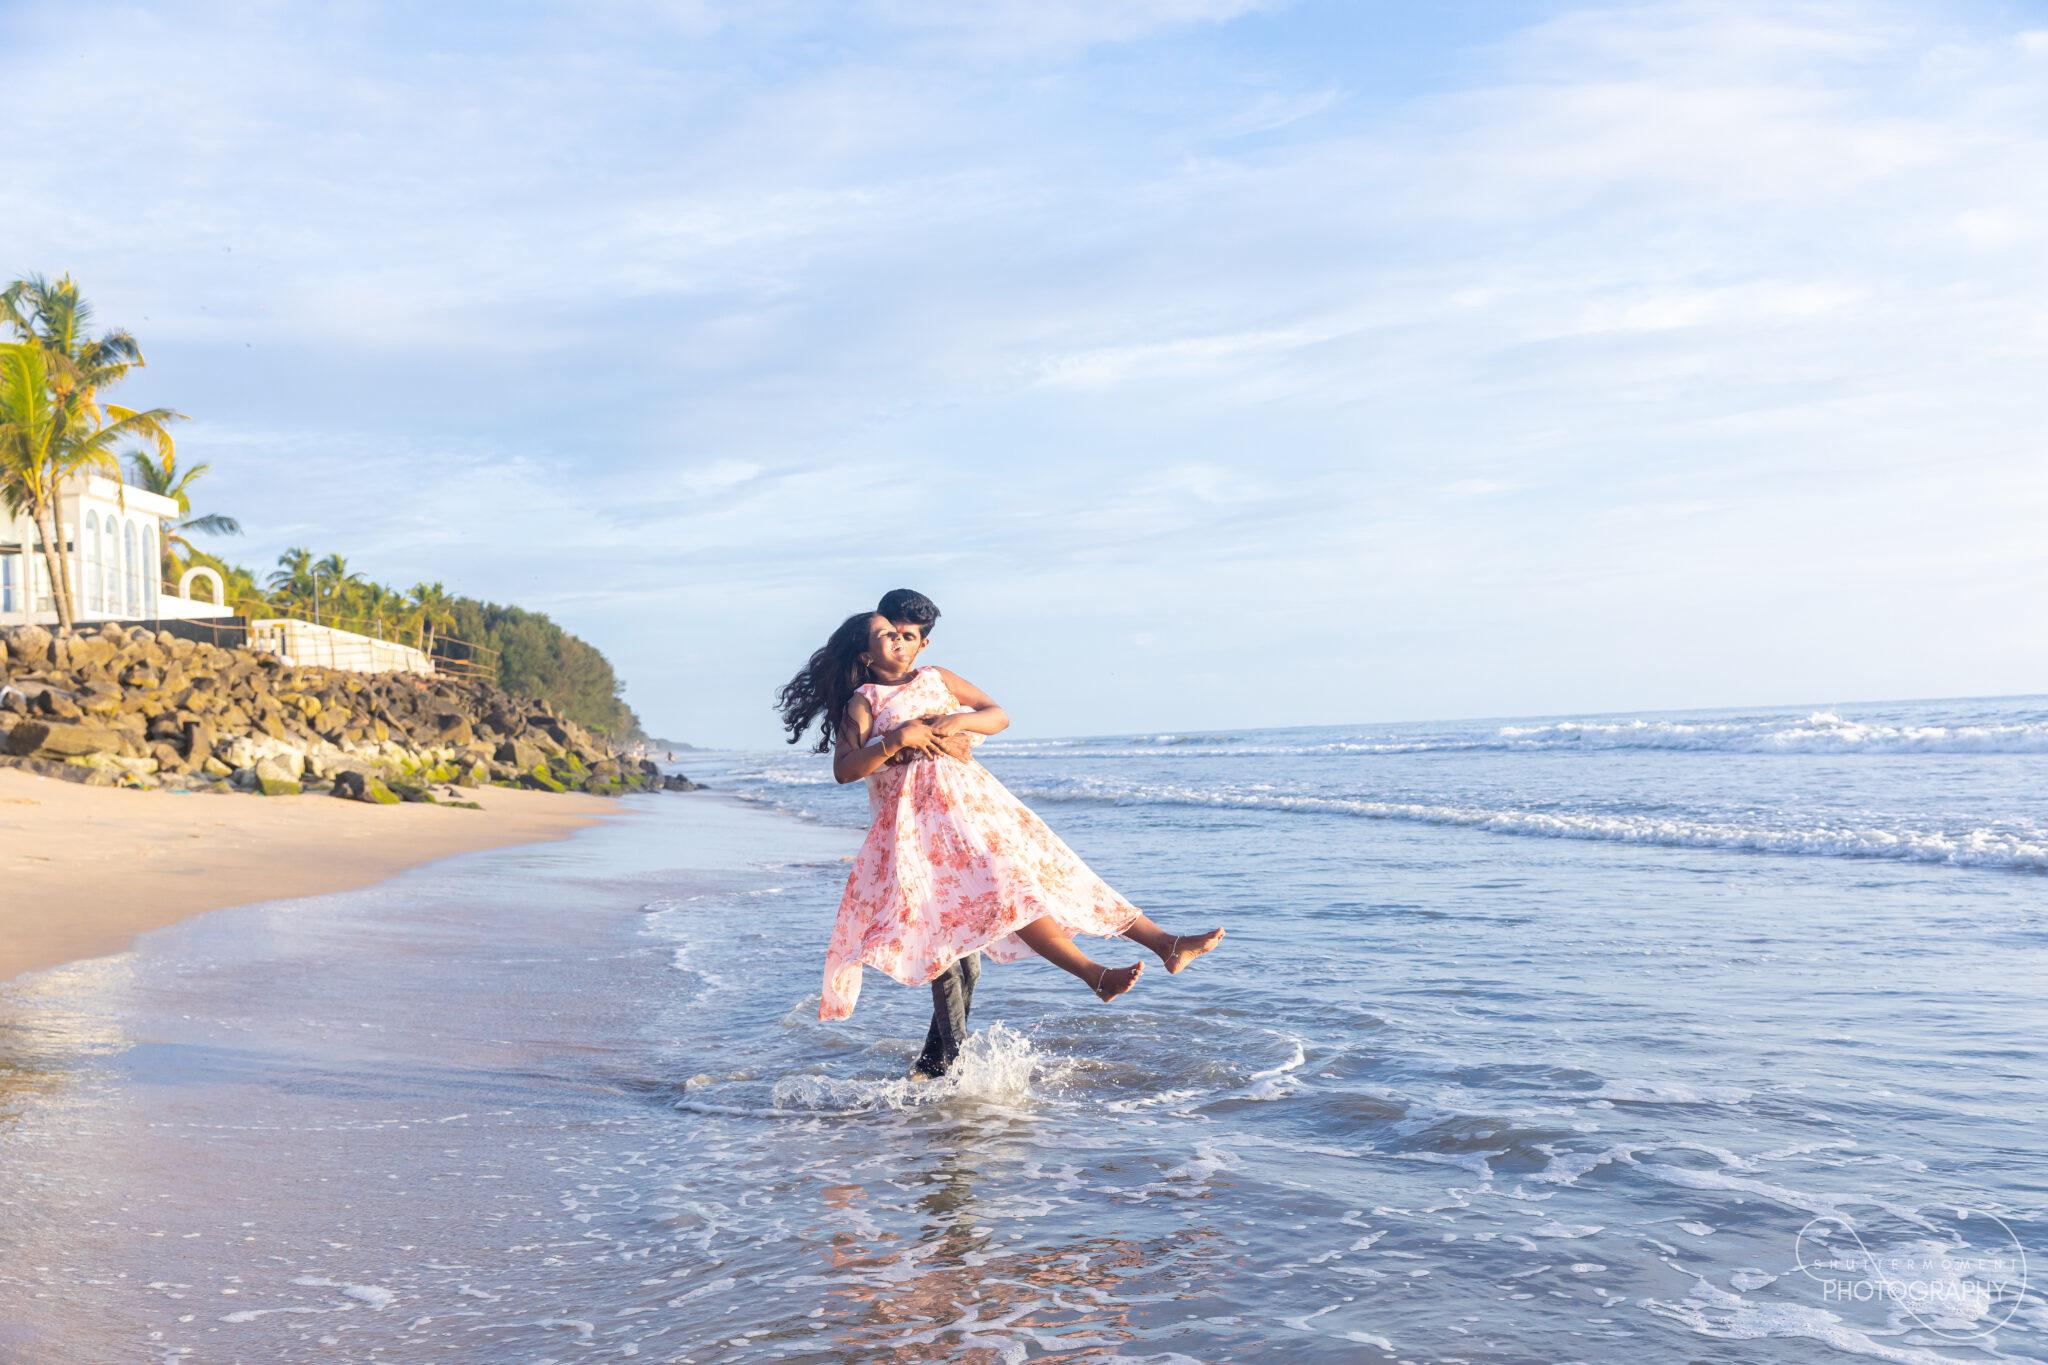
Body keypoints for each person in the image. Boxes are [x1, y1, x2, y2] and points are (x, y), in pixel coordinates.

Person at [774, 590, 1226, 1075]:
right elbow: (845, 769)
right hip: (920, 835)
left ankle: (1162, 944)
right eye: (888, 636)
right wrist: (896, 739)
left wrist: (957, 720)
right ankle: (1091, 976)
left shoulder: (937, 678)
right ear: (866, 655)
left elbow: (998, 715)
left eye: (906, 635)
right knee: (991, 911)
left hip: (979, 810)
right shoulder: (865, 701)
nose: (901, 641)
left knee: (1059, 875)